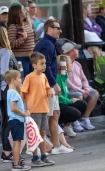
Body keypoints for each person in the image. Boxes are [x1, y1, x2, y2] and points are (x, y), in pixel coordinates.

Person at [34, 19, 72, 155]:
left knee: (55, 114)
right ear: (49, 29)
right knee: (47, 116)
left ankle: (57, 145)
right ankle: (45, 148)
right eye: (57, 28)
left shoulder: (50, 44)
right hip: (46, 85)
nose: (60, 31)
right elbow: (45, 67)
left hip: (49, 83)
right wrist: (53, 84)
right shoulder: (46, 45)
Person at [0, 26, 20, 163]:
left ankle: (6, 151)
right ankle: (7, 151)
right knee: (9, 120)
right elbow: (6, 73)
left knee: (5, 119)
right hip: (6, 88)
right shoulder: (5, 52)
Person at [21, 52, 56, 166]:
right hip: (33, 109)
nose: (44, 65)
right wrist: (23, 106)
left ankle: (43, 155)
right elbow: (23, 91)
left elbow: (47, 88)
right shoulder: (29, 77)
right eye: (42, 63)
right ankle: (35, 157)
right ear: (34, 65)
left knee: (42, 134)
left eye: (45, 63)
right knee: (35, 134)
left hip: (43, 108)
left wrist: (49, 92)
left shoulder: (43, 76)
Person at [63, 42, 99, 131]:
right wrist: (81, 90)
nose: (78, 50)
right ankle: (75, 120)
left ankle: (85, 118)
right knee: (78, 94)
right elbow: (66, 82)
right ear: (71, 51)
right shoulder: (63, 64)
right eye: (76, 49)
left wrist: (86, 88)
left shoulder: (77, 64)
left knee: (95, 93)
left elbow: (84, 79)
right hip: (70, 91)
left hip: (81, 89)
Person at [4, 70, 31, 171]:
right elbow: (13, 108)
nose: (21, 80)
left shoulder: (10, 92)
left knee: (17, 142)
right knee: (17, 142)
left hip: (15, 120)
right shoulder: (13, 93)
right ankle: (16, 164)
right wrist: (24, 113)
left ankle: (17, 162)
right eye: (19, 78)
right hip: (17, 120)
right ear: (12, 80)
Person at [56, 54, 87, 139]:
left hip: (64, 101)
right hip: (58, 104)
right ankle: (56, 126)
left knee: (82, 104)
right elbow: (58, 97)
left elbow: (65, 92)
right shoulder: (57, 77)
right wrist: (70, 101)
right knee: (75, 113)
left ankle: (67, 126)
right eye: (69, 63)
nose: (71, 64)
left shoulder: (65, 75)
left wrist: (73, 99)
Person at [8, 4, 35, 77]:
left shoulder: (26, 24)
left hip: (30, 57)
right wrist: (22, 39)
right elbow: (11, 44)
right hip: (21, 58)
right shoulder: (13, 27)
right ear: (16, 14)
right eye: (21, 11)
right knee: (24, 80)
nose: (24, 12)